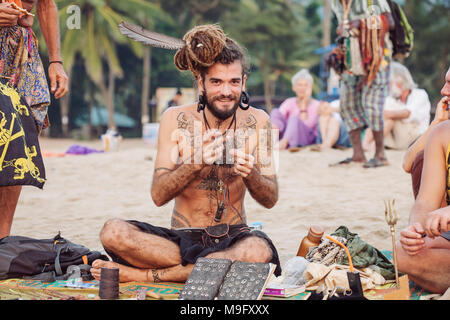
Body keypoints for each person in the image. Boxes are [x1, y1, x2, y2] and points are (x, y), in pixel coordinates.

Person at [90, 24, 282, 283]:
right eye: (216, 82)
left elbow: (270, 198)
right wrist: (194, 164)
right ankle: (209, 271)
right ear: (200, 82)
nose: (226, 91)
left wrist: (252, 174)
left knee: (257, 251)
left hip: (234, 236)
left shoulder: (260, 121)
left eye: (234, 82)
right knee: (113, 232)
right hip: (182, 239)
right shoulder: (174, 118)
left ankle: (145, 276)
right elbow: (158, 195)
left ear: (243, 81)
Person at [0, 0, 69, 239]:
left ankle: (3, 239)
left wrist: (56, 61)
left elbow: (46, 4)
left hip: (20, 51)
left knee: (16, 144)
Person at [396, 67, 450, 294]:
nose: (444, 90)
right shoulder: (442, 134)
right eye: (446, 82)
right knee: (401, 253)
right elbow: (426, 202)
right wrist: (416, 232)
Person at [330, 0, 395, 168]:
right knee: (346, 104)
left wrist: (361, 23)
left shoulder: (370, 1)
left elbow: (389, 22)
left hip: (376, 60)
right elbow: (341, 27)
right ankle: (358, 154)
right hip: (351, 60)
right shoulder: (335, 3)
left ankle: (380, 155)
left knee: (372, 105)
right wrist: (342, 30)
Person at [362, 62, 431, 152]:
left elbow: (407, 113)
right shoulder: (392, 98)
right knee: (387, 117)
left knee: (389, 116)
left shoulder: (420, 94)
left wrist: (382, 114)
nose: (388, 86)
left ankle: (370, 145)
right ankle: (367, 145)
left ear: (399, 83)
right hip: (396, 138)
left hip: (415, 136)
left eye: (390, 82)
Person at [270, 69, 320, 150]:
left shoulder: (317, 105)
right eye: (300, 85)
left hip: (306, 137)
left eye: (305, 85)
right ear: (294, 87)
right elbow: (279, 118)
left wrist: (304, 104)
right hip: (287, 135)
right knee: (275, 112)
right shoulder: (289, 102)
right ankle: (271, 140)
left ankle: (283, 144)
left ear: (310, 88)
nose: (302, 88)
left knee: (293, 119)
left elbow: (306, 125)